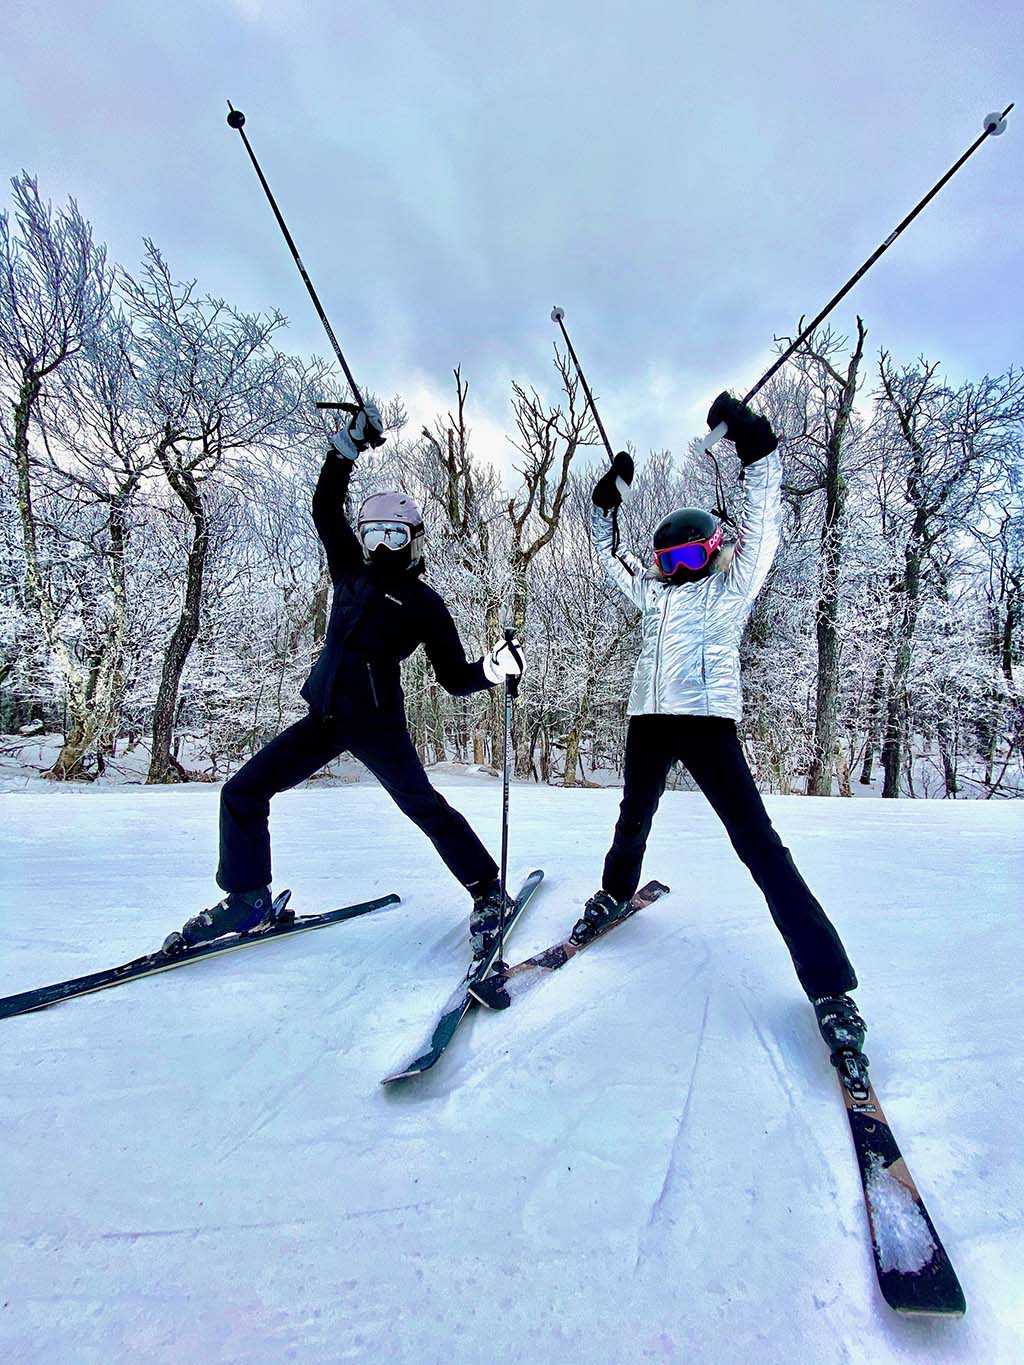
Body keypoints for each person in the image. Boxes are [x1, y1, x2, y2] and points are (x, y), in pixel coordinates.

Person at [164, 403, 523, 963]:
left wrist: (489, 670)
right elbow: (325, 508)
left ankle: (486, 891)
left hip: (377, 724)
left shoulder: (425, 604)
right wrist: (344, 451)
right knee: (242, 791)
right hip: (325, 716)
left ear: (414, 540)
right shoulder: (349, 573)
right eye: (373, 531)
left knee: (424, 808)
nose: (382, 543)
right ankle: (248, 897)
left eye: (395, 534)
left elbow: (453, 678)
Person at [584, 392, 866, 1076]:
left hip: (709, 724)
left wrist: (756, 442)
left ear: (712, 553)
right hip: (648, 720)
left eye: (688, 558)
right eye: (667, 560)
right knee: (632, 818)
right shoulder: (651, 593)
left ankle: (829, 985)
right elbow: (604, 556)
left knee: (760, 845)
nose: (676, 571)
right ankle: (616, 890)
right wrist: (604, 503)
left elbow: (763, 516)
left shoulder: (732, 588)